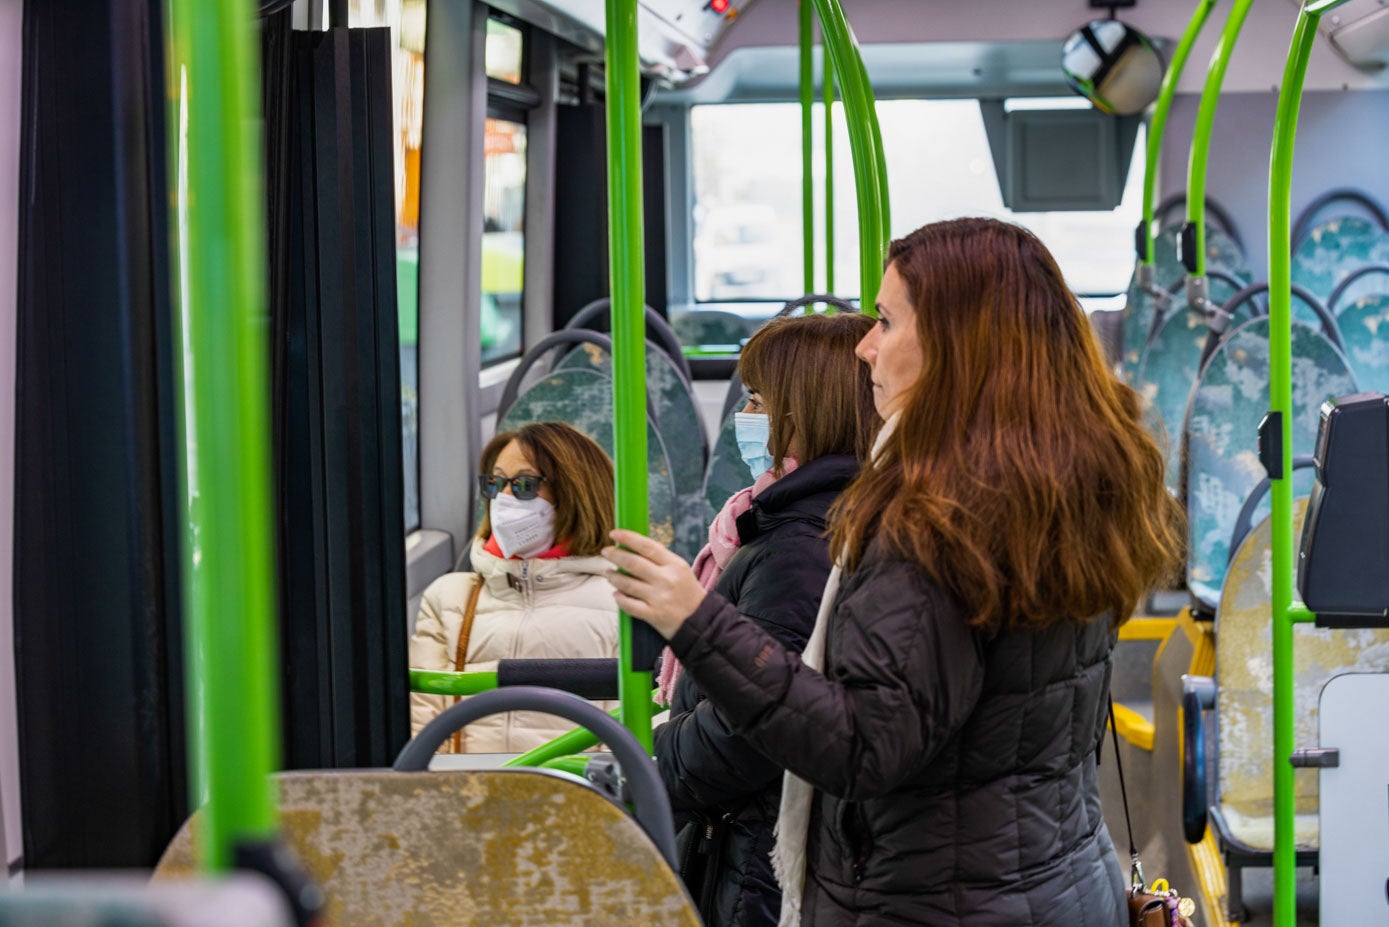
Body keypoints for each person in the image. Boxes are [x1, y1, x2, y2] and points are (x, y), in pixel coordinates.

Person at [604, 217, 1185, 926]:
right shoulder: (1060, 489)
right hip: (1054, 874)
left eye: (885, 320)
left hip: (934, 898)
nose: (865, 345)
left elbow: (865, 743)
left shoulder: (939, 522)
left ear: (953, 344)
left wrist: (696, 623)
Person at [654, 311, 877, 927]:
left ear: (804, 412)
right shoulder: (787, 522)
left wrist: (652, 759)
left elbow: (753, 729)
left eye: (758, 400)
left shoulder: (798, 548)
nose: (744, 417)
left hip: (756, 859)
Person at [410, 421, 619, 753]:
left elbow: (630, 739)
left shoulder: (622, 602)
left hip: (577, 795)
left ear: (574, 492)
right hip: (469, 791)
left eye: (524, 484)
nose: (503, 499)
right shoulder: (449, 597)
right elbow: (421, 723)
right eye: (495, 483)